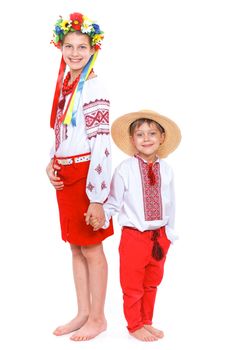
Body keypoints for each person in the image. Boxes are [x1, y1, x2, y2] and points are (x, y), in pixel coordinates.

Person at [46, 12, 114, 341]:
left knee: (92, 247)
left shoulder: (94, 87)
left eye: (82, 47)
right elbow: (62, 131)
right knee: (75, 246)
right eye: (69, 46)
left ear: (92, 49)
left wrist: (98, 197)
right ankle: (83, 312)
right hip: (67, 173)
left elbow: (102, 142)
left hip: (88, 175)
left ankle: (99, 317)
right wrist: (51, 162)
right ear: (60, 47)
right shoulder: (65, 85)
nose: (74, 52)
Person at [90, 110, 181, 341]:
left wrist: (169, 234)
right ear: (132, 140)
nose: (146, 138)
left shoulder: (167, 170)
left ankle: (146, 321)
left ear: (161, 137)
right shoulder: (124, 170)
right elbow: (113, 202)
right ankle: (134, 325)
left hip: (159, 238)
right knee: (132, 286)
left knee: (152, 283)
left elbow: (171, 203)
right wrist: (101, 218)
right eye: (140, 134)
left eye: (152, 133)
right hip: (134, 238)